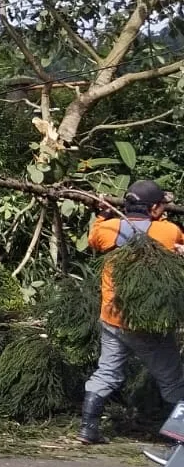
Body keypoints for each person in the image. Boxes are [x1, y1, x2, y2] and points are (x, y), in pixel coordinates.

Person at [76, 180, 184, 446]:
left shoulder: (108, 229)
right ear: (155, 208)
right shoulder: (168, 231)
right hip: (147, 323)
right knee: (173, 380)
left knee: (107, 372)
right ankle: (178, 438)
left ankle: (88, 430)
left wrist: (103, 212)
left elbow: (94, 237)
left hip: (112, 318)